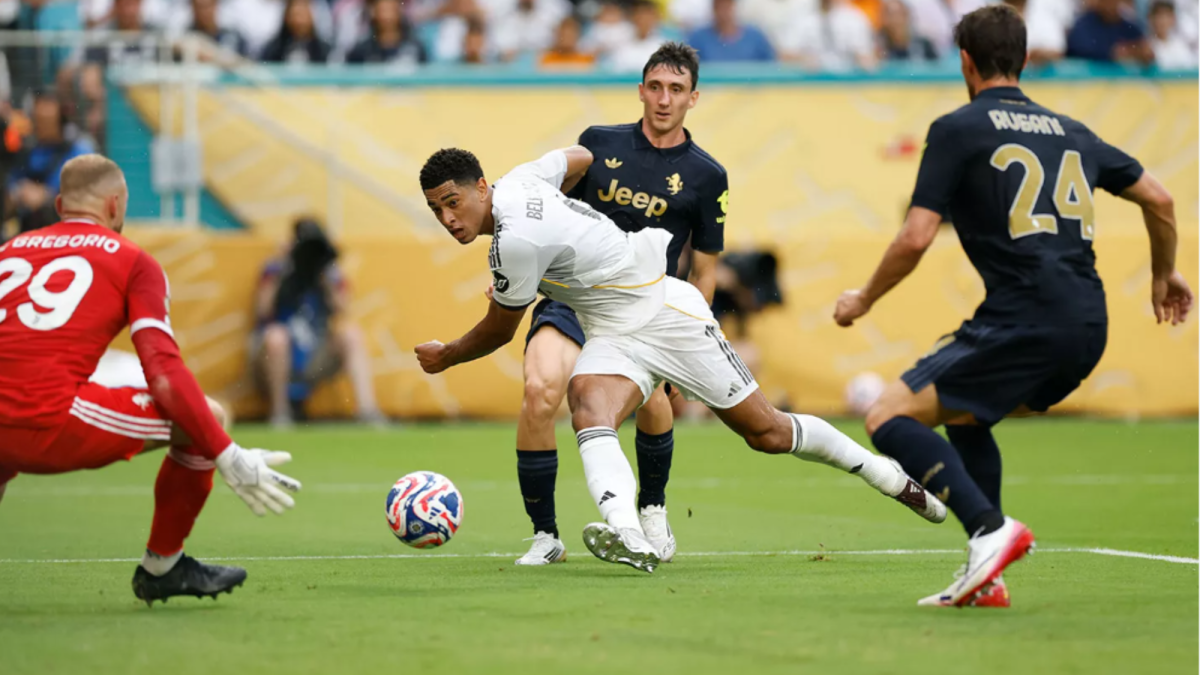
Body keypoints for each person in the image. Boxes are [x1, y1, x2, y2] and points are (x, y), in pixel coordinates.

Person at [413, 146, 947, 574]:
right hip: (613, 332)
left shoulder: (515, 241)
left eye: (452, 202)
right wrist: (577, 228)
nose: (447, 217)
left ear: (482, 187)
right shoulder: (525, 177)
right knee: (588, 401)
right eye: (436, 209)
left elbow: (499, 331)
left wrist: (447, 356)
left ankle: (888, 476)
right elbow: (576, 156)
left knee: (769, 434)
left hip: (666, 312)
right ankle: (627, 532)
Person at [834, 5, 1192, 608]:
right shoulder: (1074, 132)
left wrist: (864, 298)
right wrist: (1164, 274)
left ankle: (988, 530)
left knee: (887, 415)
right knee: (967, 415)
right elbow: (1159, 199)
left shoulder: (958, 128)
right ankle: (987, 577)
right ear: (1025, 61)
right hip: (1087, 323)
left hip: (1023, 317)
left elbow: (917, 234)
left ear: (965, 62)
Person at [0, 154, 301, 604]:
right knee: (207, 416)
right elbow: (162, 374)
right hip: (45, 421)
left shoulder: (7, 250)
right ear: (117, 205)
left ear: (60, 204)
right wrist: (226, 452)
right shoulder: (133, 262)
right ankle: (164, 565)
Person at [505, 43, 727, 567]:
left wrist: (694, 337)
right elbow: (544, 209)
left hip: (643, 311)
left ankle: (651, 507)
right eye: (655, 87)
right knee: (539, 391)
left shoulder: (706, 175)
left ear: (694, 98)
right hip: (574, 297)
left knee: (655, 403)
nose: (664, 99)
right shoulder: (597, 144)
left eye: (676, 90)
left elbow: (708, 268)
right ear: (641, 90)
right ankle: (545, 536)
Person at [252, 217, 384, 427]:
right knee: (276, 336)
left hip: (315, 352)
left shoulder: (329, 273)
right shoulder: (275, 268)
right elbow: (262, 311)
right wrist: (285, 266)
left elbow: (343, 311)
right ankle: (280, 414)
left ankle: (367, 411)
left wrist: (324, 275)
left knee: (351, 333)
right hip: (274, 355)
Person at [7, 93, 92, 235]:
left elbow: (85, 197)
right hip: (30, 231)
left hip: (67, 231)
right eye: (37, 119)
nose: (40, 125)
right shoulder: (28, 149)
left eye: (46, 120)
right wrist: (17, 194)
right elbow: (11, 186)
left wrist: (46, 197)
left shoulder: (79, 148)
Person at [1065, 0, 1153, 64]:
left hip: (1122, 83)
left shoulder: (1128, 26)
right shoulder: (1083, 24)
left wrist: (1139, 51)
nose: (1110, 4)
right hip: (1086, 83)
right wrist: (1110, 53)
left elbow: (1144, 48)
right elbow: (1078, 49)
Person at [686, 0, 776, 62]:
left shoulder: (756, 37)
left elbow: (770, 66)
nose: (723, 11)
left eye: (727, 5)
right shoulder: (698, 38)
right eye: (719, 6)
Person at [345, 0, 428, 64]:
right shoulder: (361, 51)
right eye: (383, 10)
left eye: (391, 9)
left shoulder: (415, 47)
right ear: (374, 12)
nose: (387, 16)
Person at [260, 0, 332, 63]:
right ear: (287, 17)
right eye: (295, 15)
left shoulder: (323, 51)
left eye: (303, 15)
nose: (299, 21)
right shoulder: (273, 50)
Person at [1147, 0, 1198, 69]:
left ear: (1173, 19)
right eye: (1158, 16)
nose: (1162, 21)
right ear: (1150, 18)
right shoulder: (1146, 45)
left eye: (1166, 16)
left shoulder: (1180, 44)